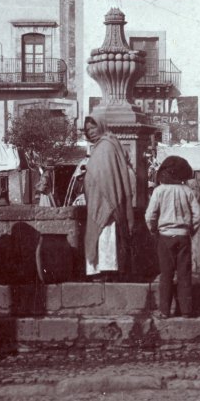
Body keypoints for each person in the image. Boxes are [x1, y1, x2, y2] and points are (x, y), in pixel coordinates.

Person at [144, 155, 200, 318]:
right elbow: (197, 216)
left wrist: (154, 230)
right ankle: (187, 310)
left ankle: (164, 311)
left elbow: (150, 216)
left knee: (166, 274)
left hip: (165, 237)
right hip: (183, 237)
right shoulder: (187, 191)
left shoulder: (159, 191)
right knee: (184, 274)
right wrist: (190, 231)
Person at [82, 112, 135, 281]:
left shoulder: (106, 146)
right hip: (99, 198)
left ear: (102, 126)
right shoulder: (103, 145)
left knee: (106, 235)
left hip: (107, 199)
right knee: (103, 235)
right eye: (88, 129)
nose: (90, 132)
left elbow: (106, 175)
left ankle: (106, 270)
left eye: (93, 127)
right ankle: (102, 269)